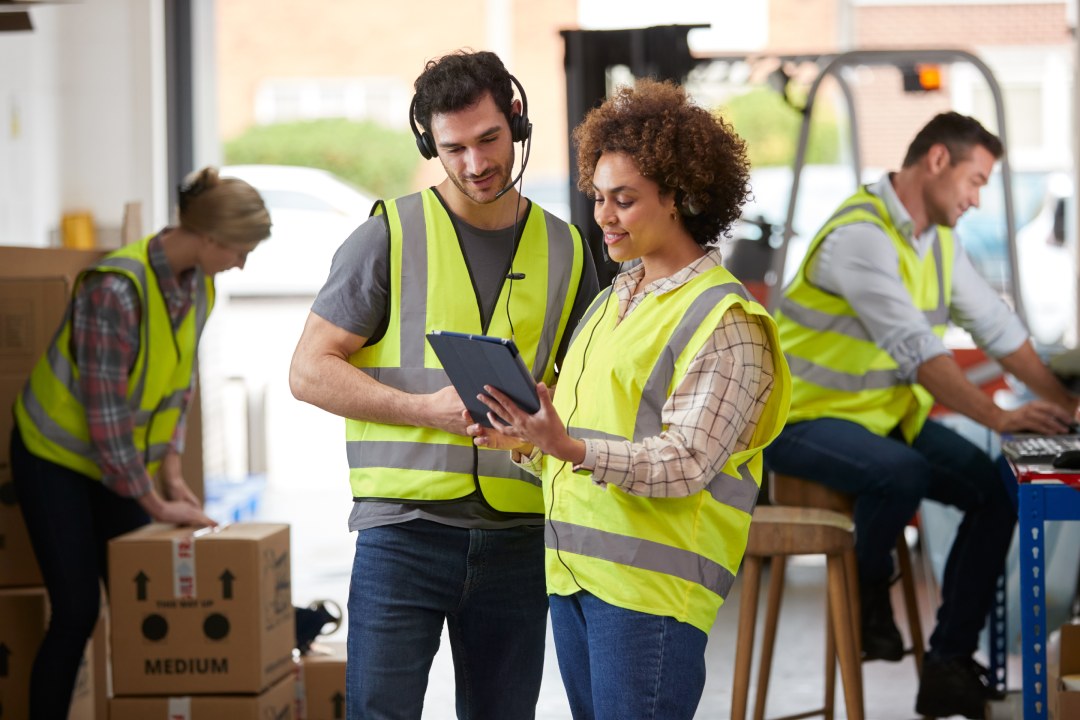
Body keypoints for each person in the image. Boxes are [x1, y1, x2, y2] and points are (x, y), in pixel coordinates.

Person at [466, 78, 791, 720]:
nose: (604, 217)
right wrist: (531, 441)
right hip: (575, 578)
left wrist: (568, 444)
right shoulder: (615, 297)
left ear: (679, 199)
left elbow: (687, 463)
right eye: (598, 198)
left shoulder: (724, 319)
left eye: (625, 200)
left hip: (650, 595)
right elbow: (587, 435)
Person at [288, 49, 598, 719]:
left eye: (488, 140)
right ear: (431, 143)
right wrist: (423, 409)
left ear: (516, 120)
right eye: (454, 148)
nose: (476, 164)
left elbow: (587, 392)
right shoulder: (386, 237)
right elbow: (308, 371)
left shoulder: (569, 249)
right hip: (404, 533)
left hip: (519, 535)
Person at [762, 111, 1080, 719]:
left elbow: (997, 328)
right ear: (938, 160)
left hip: (879, 422)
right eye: (975, 180)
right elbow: (920, 353)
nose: (977, 198)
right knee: (901, 473)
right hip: (800, 422)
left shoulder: (937, 243)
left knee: (996, 491)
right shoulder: (861, 236)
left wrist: (1066, 406)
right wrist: (999, 417)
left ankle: (948, 666)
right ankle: (868, 598)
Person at [10, 166, 271, 718]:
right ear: (209, 237)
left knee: (140, 597)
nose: (241, 264)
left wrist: (173, 472)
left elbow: (179, 384)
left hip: (116, 460)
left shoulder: (199, 285)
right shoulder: (114, 290)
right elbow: (104, 417)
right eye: (240, 250)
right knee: (77, 610)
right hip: (55, 454)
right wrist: (152, 500)